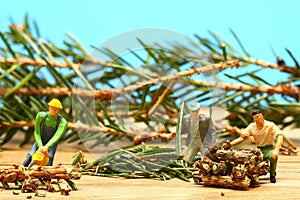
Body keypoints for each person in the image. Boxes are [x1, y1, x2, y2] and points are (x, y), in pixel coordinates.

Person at [223, 110, 283, 183]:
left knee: (273, 157)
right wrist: (231, 144)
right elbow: (242, 138)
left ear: (262, 115)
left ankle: (272, 174)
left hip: (269, 147)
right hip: (259, 150)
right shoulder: (252, 126)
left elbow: (280, 135)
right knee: (253, 164)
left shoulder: (270, 125)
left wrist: (276, 150)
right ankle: (268, 170)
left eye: (258, 116)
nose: (257, 119)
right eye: (255, 118)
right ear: (253, 119)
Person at [23, 98, 68, 167]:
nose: (52, 110)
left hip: (52, 143)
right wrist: (40, 146)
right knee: (31, 154)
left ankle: (47, 174)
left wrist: (47, 146)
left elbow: (57, 136)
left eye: (55, 109)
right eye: (51, 108)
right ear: (49, 107)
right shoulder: (40, 116)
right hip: (40, 140)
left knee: (49, 157)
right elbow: (37, 132)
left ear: (59, 110)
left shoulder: (62, 122)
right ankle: (23, 169)